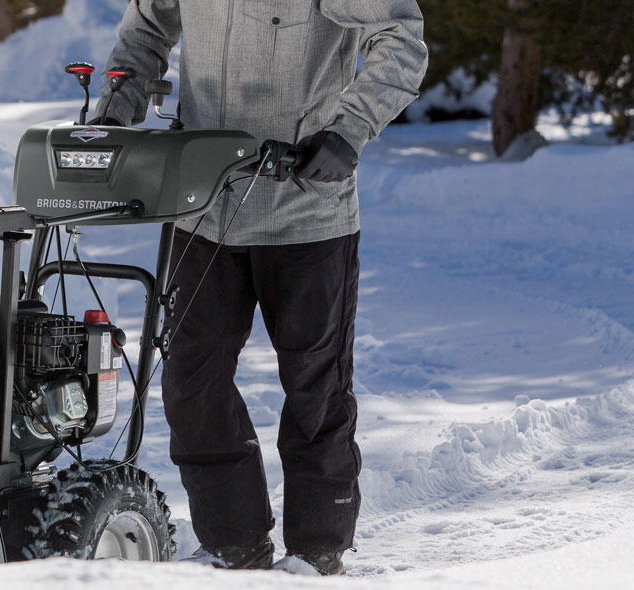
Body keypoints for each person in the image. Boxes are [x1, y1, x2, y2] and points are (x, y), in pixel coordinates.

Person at [92, 0, 428, 576]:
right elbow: (147, 27)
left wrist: (348, 131)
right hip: (200, 205)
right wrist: (114, 112)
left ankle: (318, 551)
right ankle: (232, 544)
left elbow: (402, 37)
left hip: (305, 209)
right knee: (192, 382)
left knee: (314, 386)